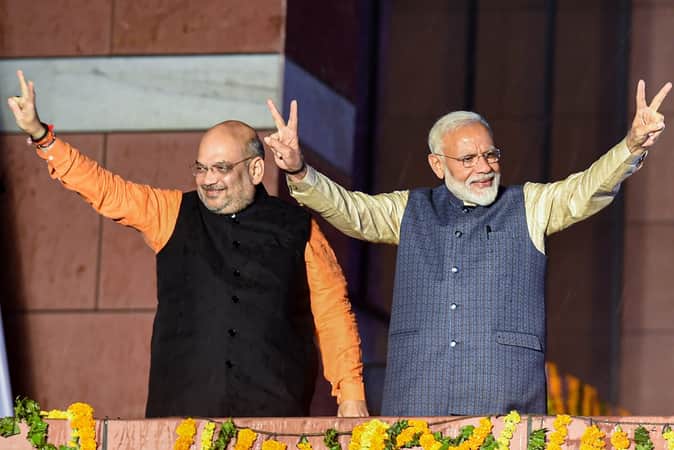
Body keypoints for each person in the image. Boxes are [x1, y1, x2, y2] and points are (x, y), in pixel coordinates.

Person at [263, 80, 671, 416]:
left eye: (490, 155)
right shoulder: (410, 209)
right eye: (469, 158)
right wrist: (299, 170)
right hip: (419, 400)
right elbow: (352, 211)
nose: (484, 167)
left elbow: (586, 189)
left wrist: (632, 146)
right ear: (437, 165)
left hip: (506, 404)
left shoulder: (529, 204)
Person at [6, 70, 369, 418]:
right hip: (181, 423)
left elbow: (332, 313)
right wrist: (42, 136)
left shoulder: (298, 228)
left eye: (221, 168)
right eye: (201, 168)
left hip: (275, 423)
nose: (208, 180)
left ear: (256, 170)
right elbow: (106, 189)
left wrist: (351, 395)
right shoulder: (171, 213)